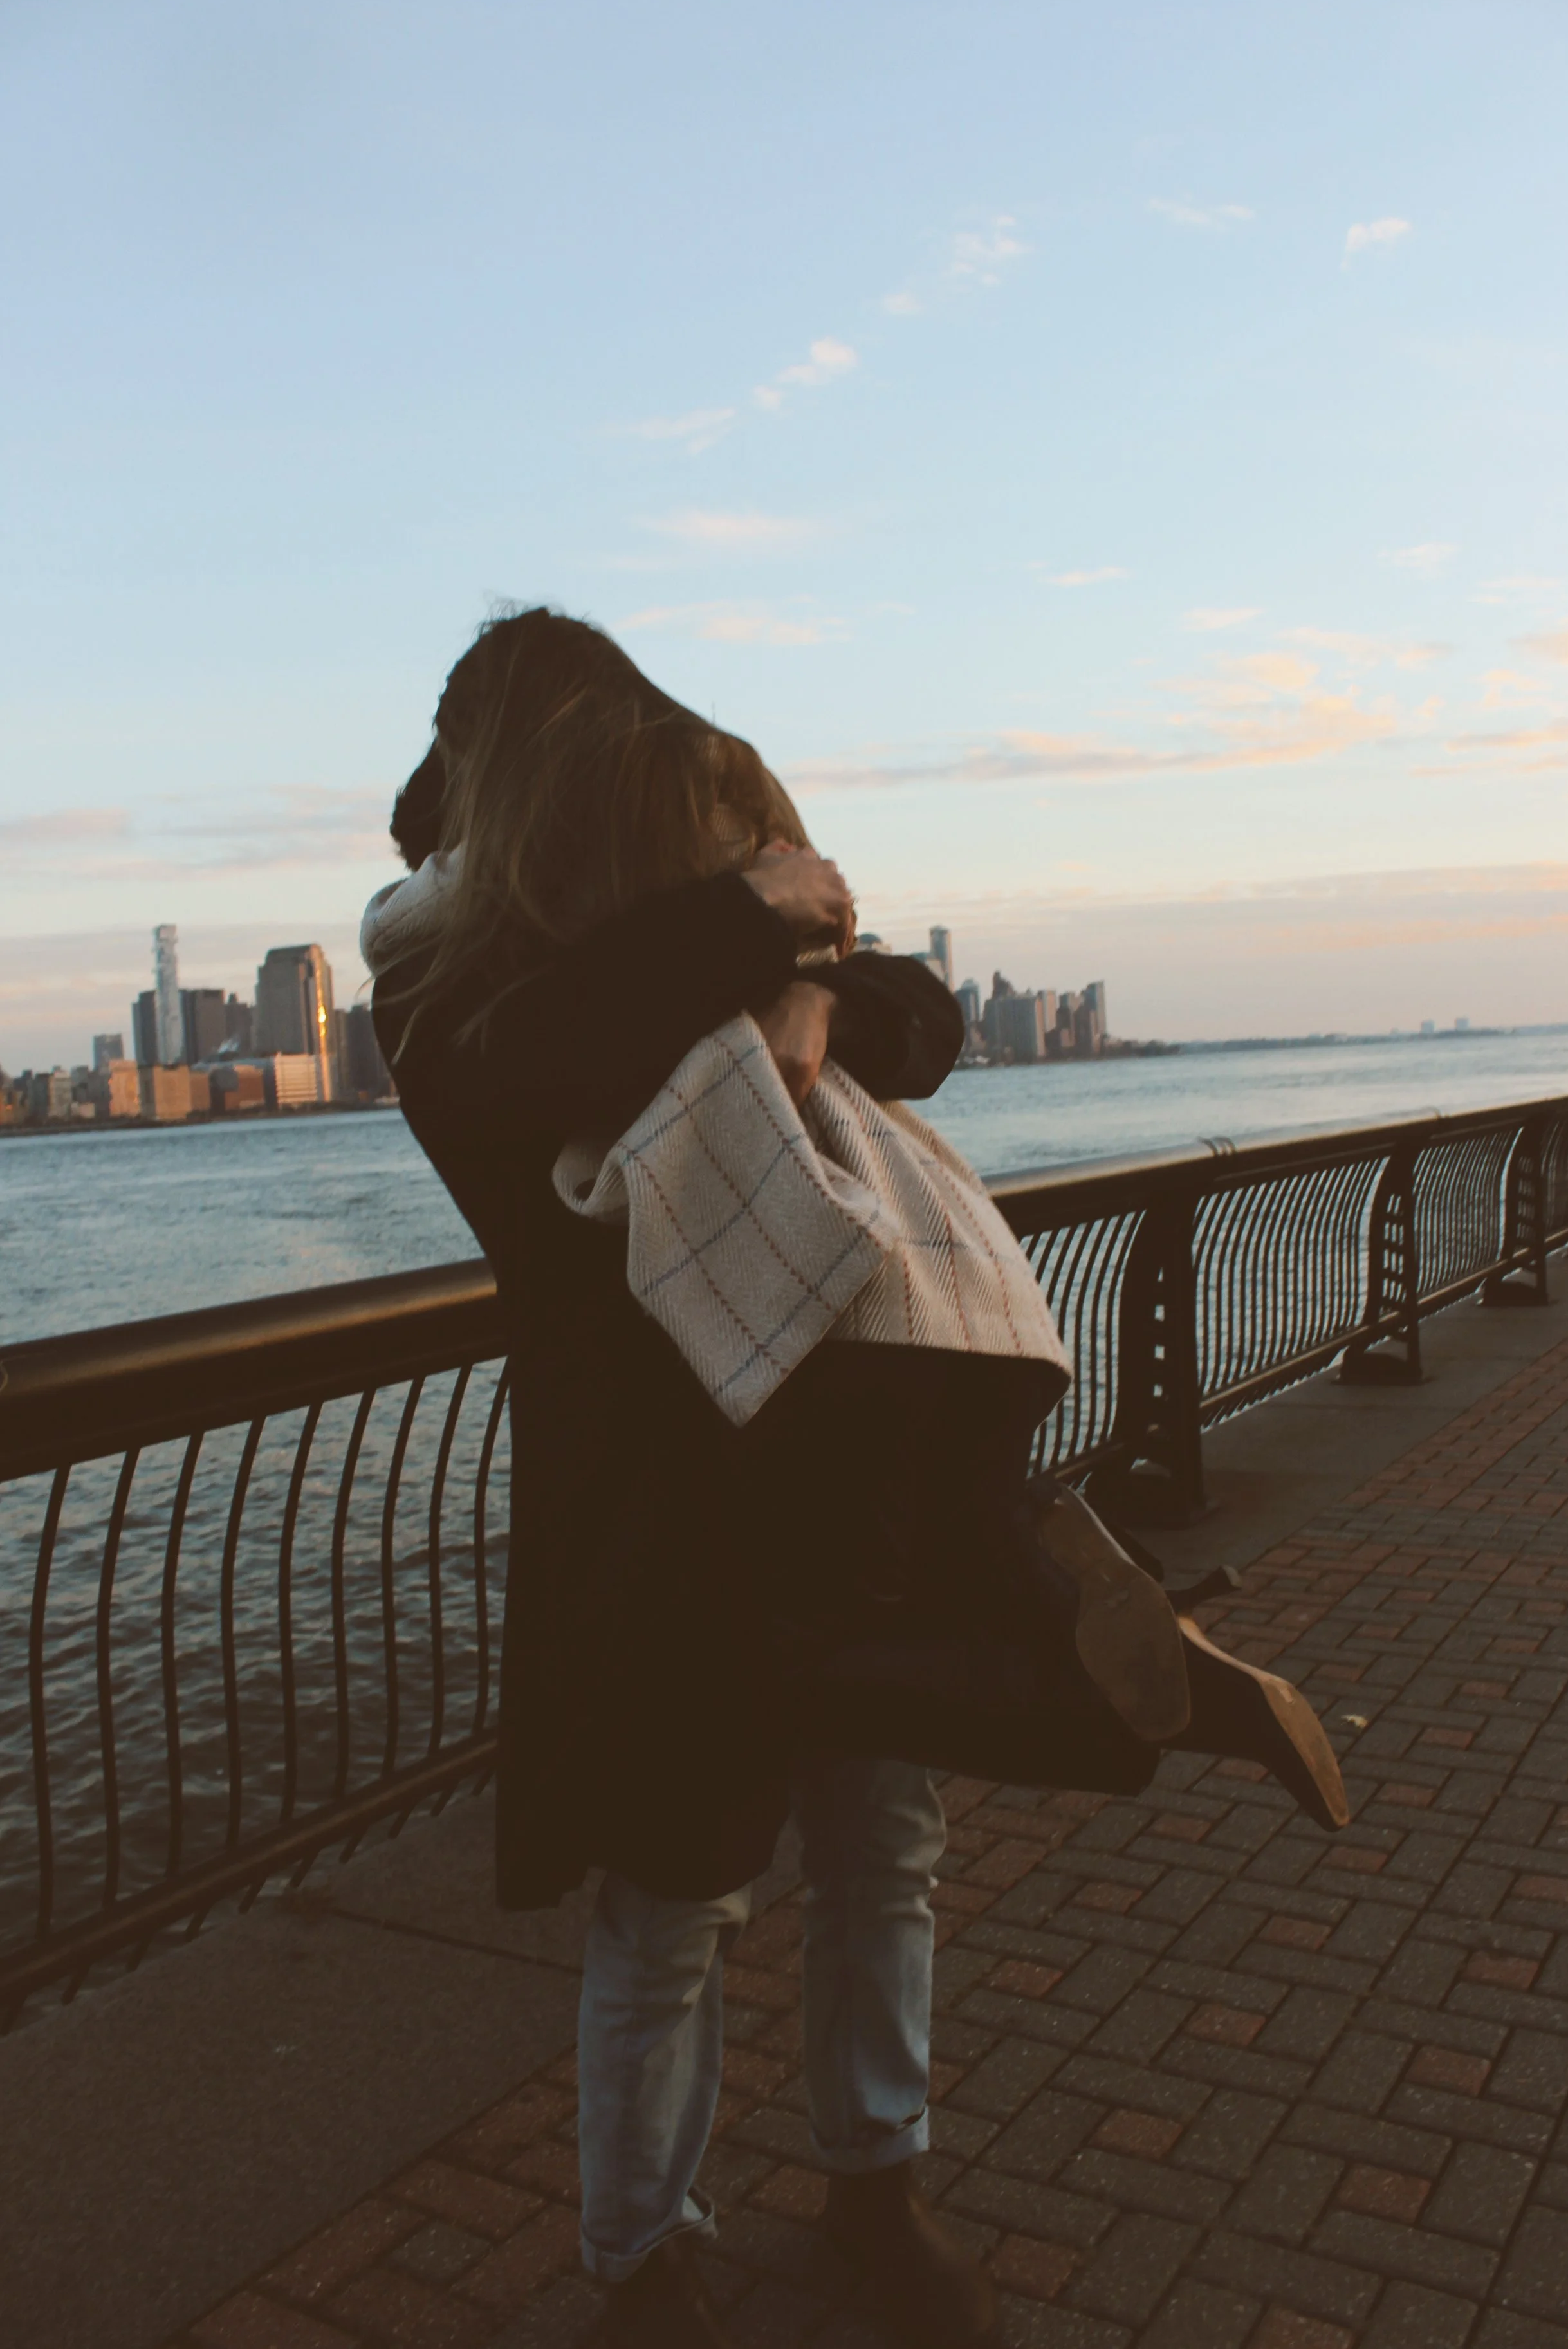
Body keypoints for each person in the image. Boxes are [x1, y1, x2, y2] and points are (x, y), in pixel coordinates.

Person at [365, 607, 1344, 2348]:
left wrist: (808, 968)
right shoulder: (455, 1001)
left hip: (781, 1472)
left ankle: (868, 2190)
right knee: (683, 1893)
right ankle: (648, 2254)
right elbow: (546, 1049)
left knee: (866, 1843)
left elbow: (913, 1012)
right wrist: (762, 920)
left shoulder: (704, 994)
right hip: (666, 1513)